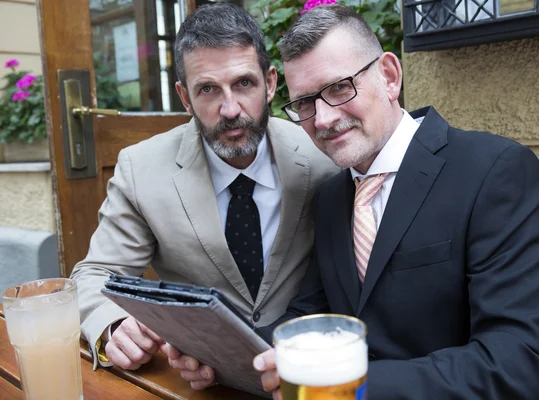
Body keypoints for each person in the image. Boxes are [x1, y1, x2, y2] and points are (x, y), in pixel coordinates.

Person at [240, 4, 539, 398]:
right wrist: (222, 353)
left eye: (340, 88)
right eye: (304, 103)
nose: (322, 119)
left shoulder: (494, 172)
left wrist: (354, 389)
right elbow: (311, 315)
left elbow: (519, 364)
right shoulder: (331, 197)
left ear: (390, 77)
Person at [70, 2, 338, 378]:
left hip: (307, 369)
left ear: (271, 82)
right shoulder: (140, 169)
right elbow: (95, 273)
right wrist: (112, 325)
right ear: (184, 96)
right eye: (208, 89)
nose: (230, 108)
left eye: (244, 83)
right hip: (198, 375)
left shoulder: (323, 154)